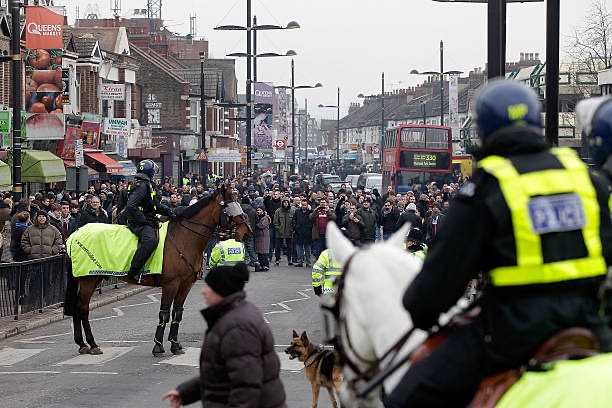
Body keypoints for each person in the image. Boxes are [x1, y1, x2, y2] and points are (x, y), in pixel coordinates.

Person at [385, 79, 612, 407]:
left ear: (483, 128)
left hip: (512, 334)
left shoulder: (487, 188)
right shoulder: (585, 178)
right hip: (590, 325)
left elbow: (437, 287)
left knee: (407, 398)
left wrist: (420, 309)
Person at [161, 263, 286, 407]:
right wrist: (185, 392)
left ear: (220, 291)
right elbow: (220, 375)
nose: (203, 291)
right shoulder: (233, 315)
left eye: (208, 286)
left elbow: (246, 387)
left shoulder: (238, 328)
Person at [125, 159, 176, 279]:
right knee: (150, 240)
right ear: (150, 173)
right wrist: (143, 221)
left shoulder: (147, 185)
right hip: (138, 223)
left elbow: (154, 205)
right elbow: (131, 206)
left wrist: (170, 212)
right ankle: (134, 271)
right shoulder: (141, 186)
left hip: (147, 219)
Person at [272, 197, 295, 266]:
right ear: (282, 203)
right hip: (280, 232)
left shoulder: (292, 211)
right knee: (278, 247)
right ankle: (277, 260)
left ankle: (289, 259)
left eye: (287, 202)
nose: (286, 203)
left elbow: (294, 221)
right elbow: (275, 222)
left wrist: (292, 229)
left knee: (290, 247)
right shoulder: (278, 211)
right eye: (284, 202)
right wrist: (278, 228)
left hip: (289, 231)